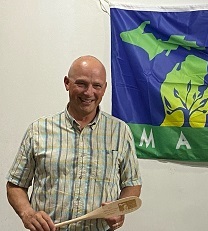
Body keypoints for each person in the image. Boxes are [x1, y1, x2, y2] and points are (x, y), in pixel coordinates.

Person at [6, 55, 142, 231]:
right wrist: (27, 214)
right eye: (82, 84)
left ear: (105, 88)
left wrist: (119, 209)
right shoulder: (38, 130)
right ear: (67, 83)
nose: (89, 92)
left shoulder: (120, 132)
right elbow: (15, 184)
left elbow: (132, 183)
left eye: (97, 86)